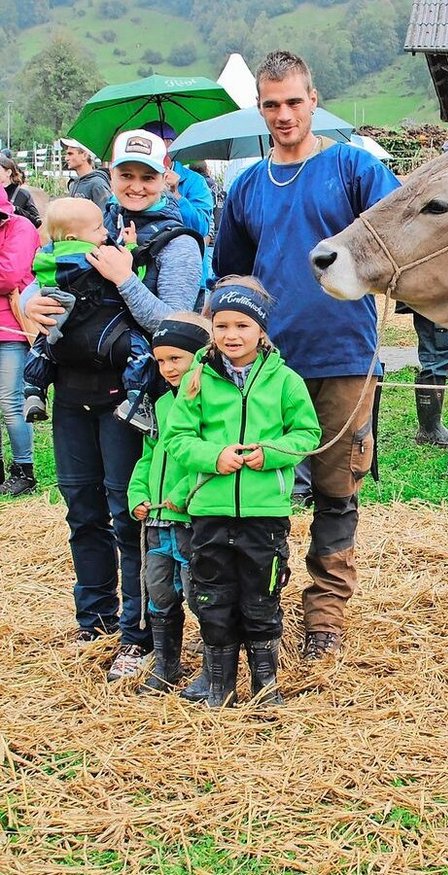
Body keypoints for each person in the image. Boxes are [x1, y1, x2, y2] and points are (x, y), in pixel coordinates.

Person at [214, 51, 400, 660]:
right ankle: (259, 607)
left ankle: (324, 616)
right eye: (271, 104)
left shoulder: (353, 168)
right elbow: (232, 277)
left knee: (336, 490)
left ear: (313, 100)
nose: (284, 114)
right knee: (260, 489)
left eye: (294, 101)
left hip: (344, 355)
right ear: (259, 108)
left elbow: (398, 233)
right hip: (267, 365)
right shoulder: (247, 186)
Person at [21, 130, 203, 679]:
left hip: (131, 397)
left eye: (147, 176)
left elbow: (172, 324)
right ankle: (93, 619)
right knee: (82, 509)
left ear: (166, 177)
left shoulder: (177, 243)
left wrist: (125, 279)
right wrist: (33, 305)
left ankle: (137, 631)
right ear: (112, 174)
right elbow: (36, 281)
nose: (136, 186)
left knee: (130, 514)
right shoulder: (87, 227)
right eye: (127, 175)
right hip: (71, 391)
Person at [164, 279, 321, 706]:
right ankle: (220, 685)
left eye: (242, 325)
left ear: (261, 329)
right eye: (221, 325)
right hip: (210, 510)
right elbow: (177, 438)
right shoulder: (197, 379)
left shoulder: (285, 381)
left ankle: (265, 686)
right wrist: (213, 456)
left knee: (262, 597)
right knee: (212, 597)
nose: (231, 335)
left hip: (263, 512)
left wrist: (269, 454)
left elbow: (307, 434)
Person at [128, 313, 210, 694]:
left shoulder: (208, 403)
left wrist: (182, 494)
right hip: (157, 522)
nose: (168, 368)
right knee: (159, 591)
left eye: (176, 358)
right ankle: (166, 666)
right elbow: (148, 455)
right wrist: (137, 493)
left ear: (199, 355)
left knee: (199, 593)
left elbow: (207, 458)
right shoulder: (159, 404)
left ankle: (212, 668)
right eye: (161, 360)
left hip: (190, 520)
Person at [20, 198, 154, 425]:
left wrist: (29, 302)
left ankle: (34, 390)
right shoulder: (97, 256)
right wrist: (131, 249)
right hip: (105, 336)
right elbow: (133, 274)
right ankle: (135, 400)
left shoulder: (46, 258)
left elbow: (36, 285)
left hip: (61, 331)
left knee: (40, 347)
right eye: (98, 228)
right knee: (139, 350)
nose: (105, 232)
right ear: (73, 238)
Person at [0, 186, 40, 497]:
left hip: (11, 329)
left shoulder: (20, 227)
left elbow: (10, 275)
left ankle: (24, 470)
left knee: (10, 401)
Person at [410, 311, 448, 446]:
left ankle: (431, 428)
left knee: (443, 352)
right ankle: (430, 430)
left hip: (440, 301)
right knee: (439, 353)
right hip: (437, 302)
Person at [60, 138, 112, 206]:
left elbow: (106, 211)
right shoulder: (73, 184)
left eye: (70, 154)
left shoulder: (97, 184)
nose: (66, 158)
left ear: (84, 155)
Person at [0, 156, 41, 229]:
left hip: (14, 234)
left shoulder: (22, 194)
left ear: (8, 172)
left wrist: (15, 210)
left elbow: (37, 222)